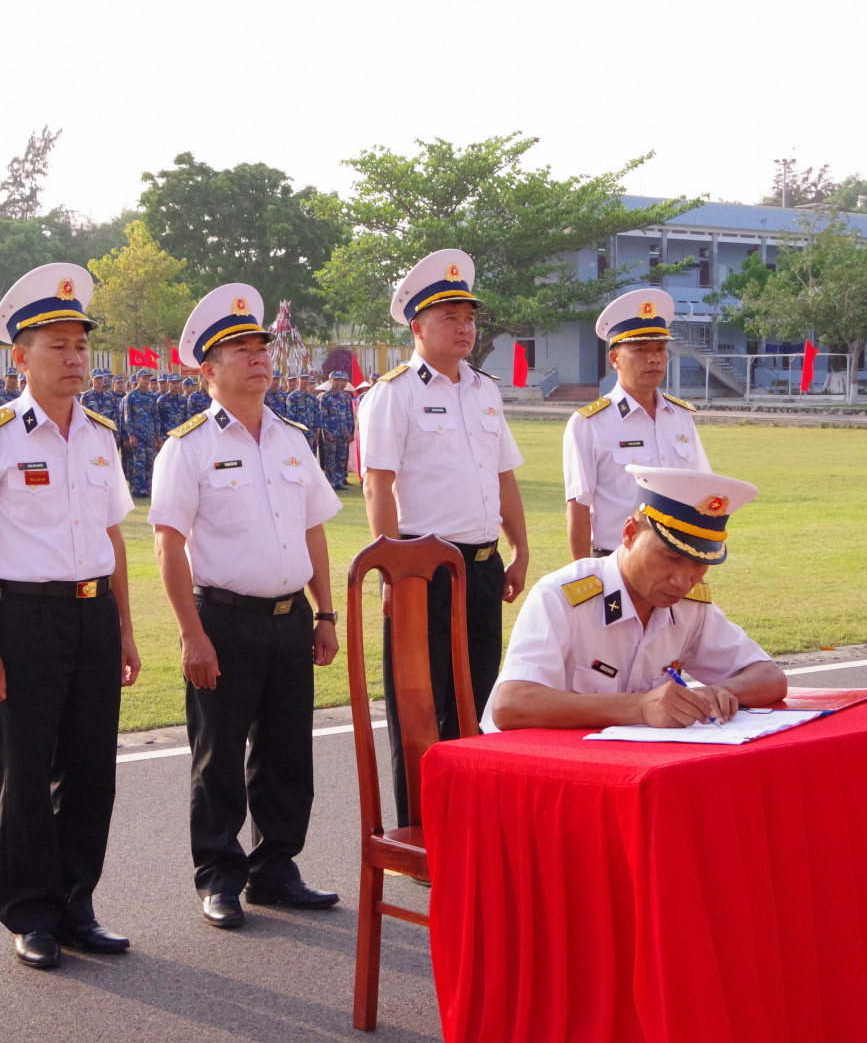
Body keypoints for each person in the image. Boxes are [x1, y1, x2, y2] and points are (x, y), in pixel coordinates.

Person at [0, 263, 139, 971]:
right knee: (25, 773)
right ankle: (30, 913)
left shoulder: (99, 434)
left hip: (94, 614)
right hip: (25, 617)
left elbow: (114, 535)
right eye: (58, 345)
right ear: (20, 357)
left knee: (93, 770)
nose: (75, 358)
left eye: (82, 345)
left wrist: (125, 627)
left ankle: (77, 904)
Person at [150, 283, 342, 930]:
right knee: (219, 752)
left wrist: (325, 611)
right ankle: (219, 874)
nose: (259, 357)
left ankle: (276, 867)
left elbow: (313, 527)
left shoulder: (291, 437)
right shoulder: (188, 445)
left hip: (290, 619)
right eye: (241, 348)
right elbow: (168, 543)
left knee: (288, 753)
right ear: (209, 369)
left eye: (262, 345)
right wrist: (190, 634)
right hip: (223, 620)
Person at [356, 248, 529, 826]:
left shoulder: (483, 390)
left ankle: (471, 820)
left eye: (469, 317)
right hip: (421, 570)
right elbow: (377, 486)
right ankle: (422, 827)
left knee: (476, 697)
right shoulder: (393, 392)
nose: (464, 328)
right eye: (450, 317)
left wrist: (519, 549)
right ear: (418, 326)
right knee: (419, 705)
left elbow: (502, 475)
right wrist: (390, 568)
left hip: (480, 567)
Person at [485, 467, 786, 731]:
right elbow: (511, 704)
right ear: (629, 534)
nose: (682, 580)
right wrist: (639, 708)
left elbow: (770, 677)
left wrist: (720, 691)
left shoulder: (689, 607)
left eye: (699, 563)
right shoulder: (562, 596)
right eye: (670, 557)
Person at [563, 289, 711, 560]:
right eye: (640, 349)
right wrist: (586, 575)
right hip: (616, 561)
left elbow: (701, 490)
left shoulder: (681, 416)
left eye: (660, 348)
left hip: (678, 559)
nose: (654, 358)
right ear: (615, 359)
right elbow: (578, 506)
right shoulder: (590, 424)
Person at [119, 369, 162, 497]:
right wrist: (130, 435)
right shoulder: (130, 396)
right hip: (137, 436)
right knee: (139, 462)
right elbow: (127, 417)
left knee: (150, 462)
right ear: (138, 380)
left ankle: (148, 489)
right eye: (144, 378)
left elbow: (156, 417)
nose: (146, 381)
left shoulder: (152, 397)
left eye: (148, 378)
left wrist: (158, 436)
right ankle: (138, 490)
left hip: (149, 436)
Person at [317, 370, 355, 489]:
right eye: (336, 380)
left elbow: (350, 415)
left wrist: (351, 431)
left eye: (341, 380)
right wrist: (327, 431)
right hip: (331, 433)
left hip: (343, 432)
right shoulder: (325, 397)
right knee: (330, 458)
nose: (339, 383)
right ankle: (330, 482)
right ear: (330, 381)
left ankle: (339, 481)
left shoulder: (346, 397)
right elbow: (323, 416)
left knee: (342, 458)